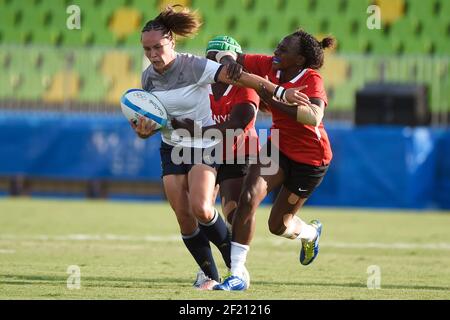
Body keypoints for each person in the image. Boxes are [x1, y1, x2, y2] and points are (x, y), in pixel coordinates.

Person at [129, 6, 305, 290]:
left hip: (203, 145)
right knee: (184, 216)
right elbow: (148, 123)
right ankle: (210, 275)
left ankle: (235, 267)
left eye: (158, 47)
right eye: (147, 49)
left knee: (202, 208)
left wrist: (281, 92)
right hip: (172, 147)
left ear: (171, 42)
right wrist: (142, 131)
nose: (152, 55)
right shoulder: (148, 77)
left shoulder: (194, 65)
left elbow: (248, 81)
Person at [211, 29, 335, 291]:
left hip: (310, 159)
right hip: (277, 146)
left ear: (300, 60)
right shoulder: (269, 65)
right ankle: (237, 273)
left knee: (278, 225)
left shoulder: (312, 78)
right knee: (248, 198)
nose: (276, 51)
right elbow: (236, 57)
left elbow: (314, 117)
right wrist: (228, 62)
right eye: (278, 45)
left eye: (284, 49)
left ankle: (311, 233)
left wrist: (271, 96)